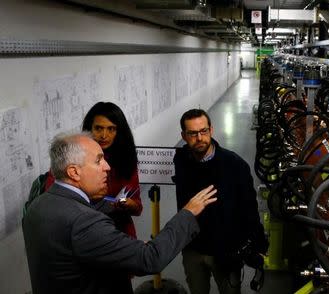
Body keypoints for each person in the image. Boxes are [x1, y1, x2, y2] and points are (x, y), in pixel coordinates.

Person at [23, 132, 217, 294]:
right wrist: (188, 212)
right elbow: (150, 259)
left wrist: (121, 247)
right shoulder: (84, 221)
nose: (107, 167)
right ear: (74, 172)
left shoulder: (38, 205)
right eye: (98, 161)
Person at [173, 109, 268, 294]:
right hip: (193, 248)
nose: (199, 138)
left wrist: (258, 244)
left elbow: (249, 208)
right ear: (183, 136)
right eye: (192, 133)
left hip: (226, 250)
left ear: (211, 130)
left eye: (204, 131)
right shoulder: (181, 161)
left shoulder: (235, 165)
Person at [45, 101, 142, 239]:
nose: (104, 135)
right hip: (82, 231)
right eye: (98, 128)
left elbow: (138, 209)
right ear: (89, 129)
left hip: (119, 231)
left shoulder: (126, 159)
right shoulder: (71, 156)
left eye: (111, 129)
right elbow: (54, 196)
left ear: (119, 131)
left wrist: (128, 204)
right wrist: (88, 195)